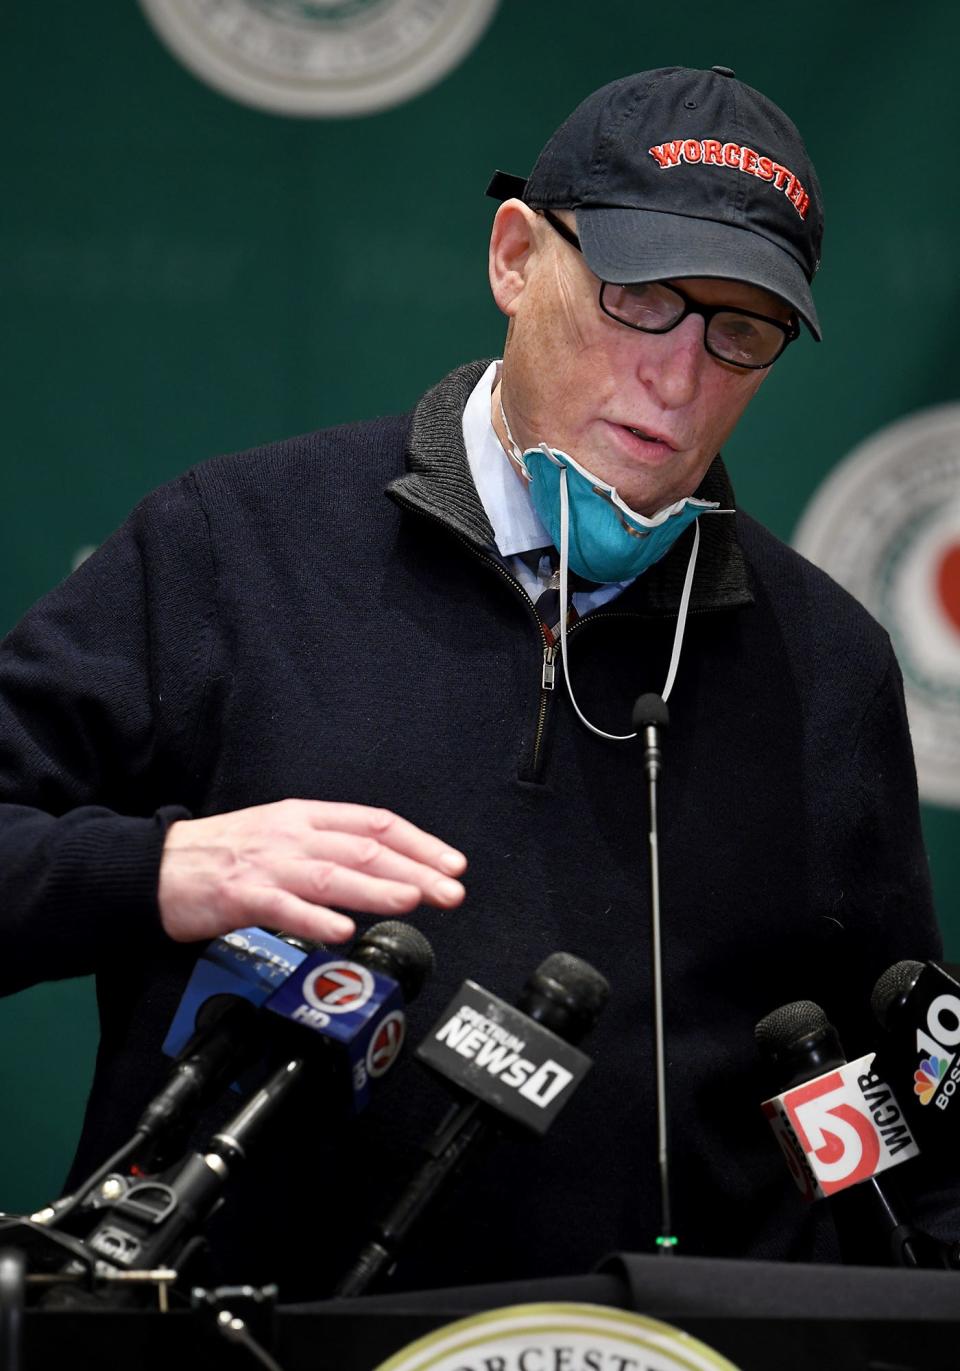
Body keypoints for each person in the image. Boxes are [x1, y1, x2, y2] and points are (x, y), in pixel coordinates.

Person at [0, 66, 947, 1296]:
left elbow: (908, 1119)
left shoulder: (826, 660)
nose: (678, 376)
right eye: (641, 296)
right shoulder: (232, 545)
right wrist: (165, 869)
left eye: (741, 331)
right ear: (514, 256)